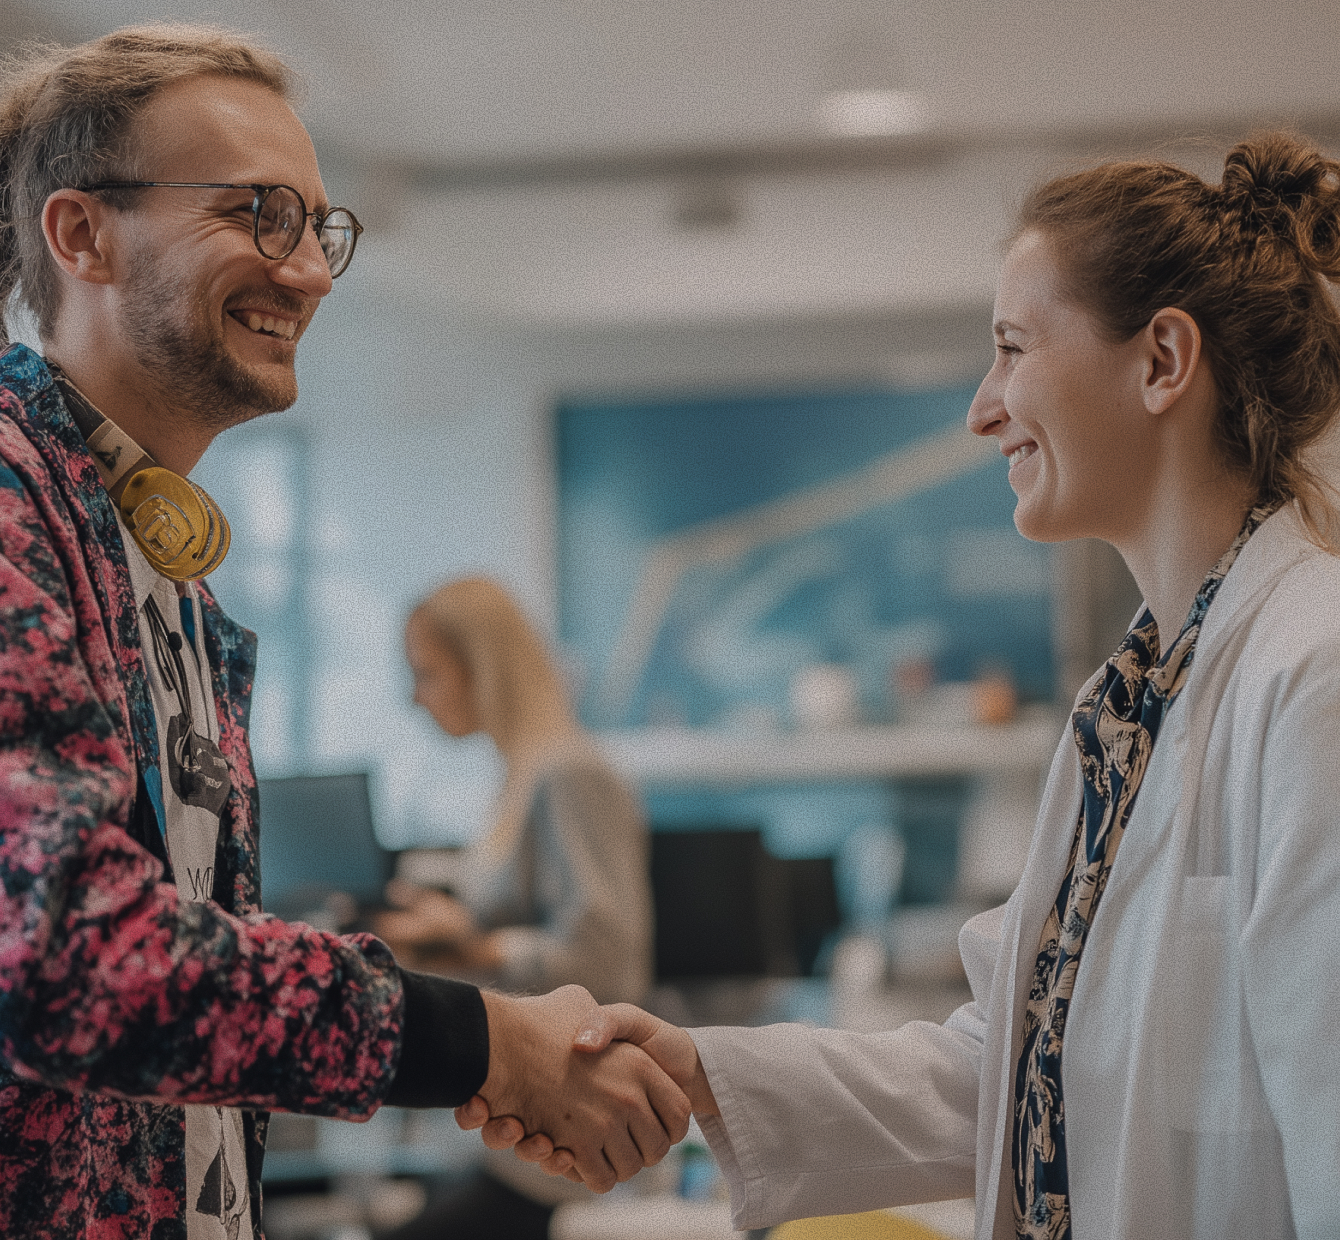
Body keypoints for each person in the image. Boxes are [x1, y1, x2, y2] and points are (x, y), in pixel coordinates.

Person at [472, 131, 1340, 1240]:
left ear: (1162, 361)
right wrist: (697, 1070)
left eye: (1012, 348)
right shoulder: (1132, 704)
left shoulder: (1308, 672)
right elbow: (1014, 1073)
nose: (982, 408)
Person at [0, 25, 685, 1239]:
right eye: (259, 213)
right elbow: (65, 949)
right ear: (80, 233)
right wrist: (477, 1042)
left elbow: (194, 979)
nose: (310, 271)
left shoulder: (171, 581)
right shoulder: (14, 508)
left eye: (317, 227)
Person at [374, 576, 651, 1239]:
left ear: (483, 669)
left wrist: (470, 948)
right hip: (511, 1133)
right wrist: (445, 936)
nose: (416, 698)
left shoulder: (568, 773)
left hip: (553, 1149)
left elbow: (609, 959)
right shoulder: (518, 775)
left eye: (428, 674)